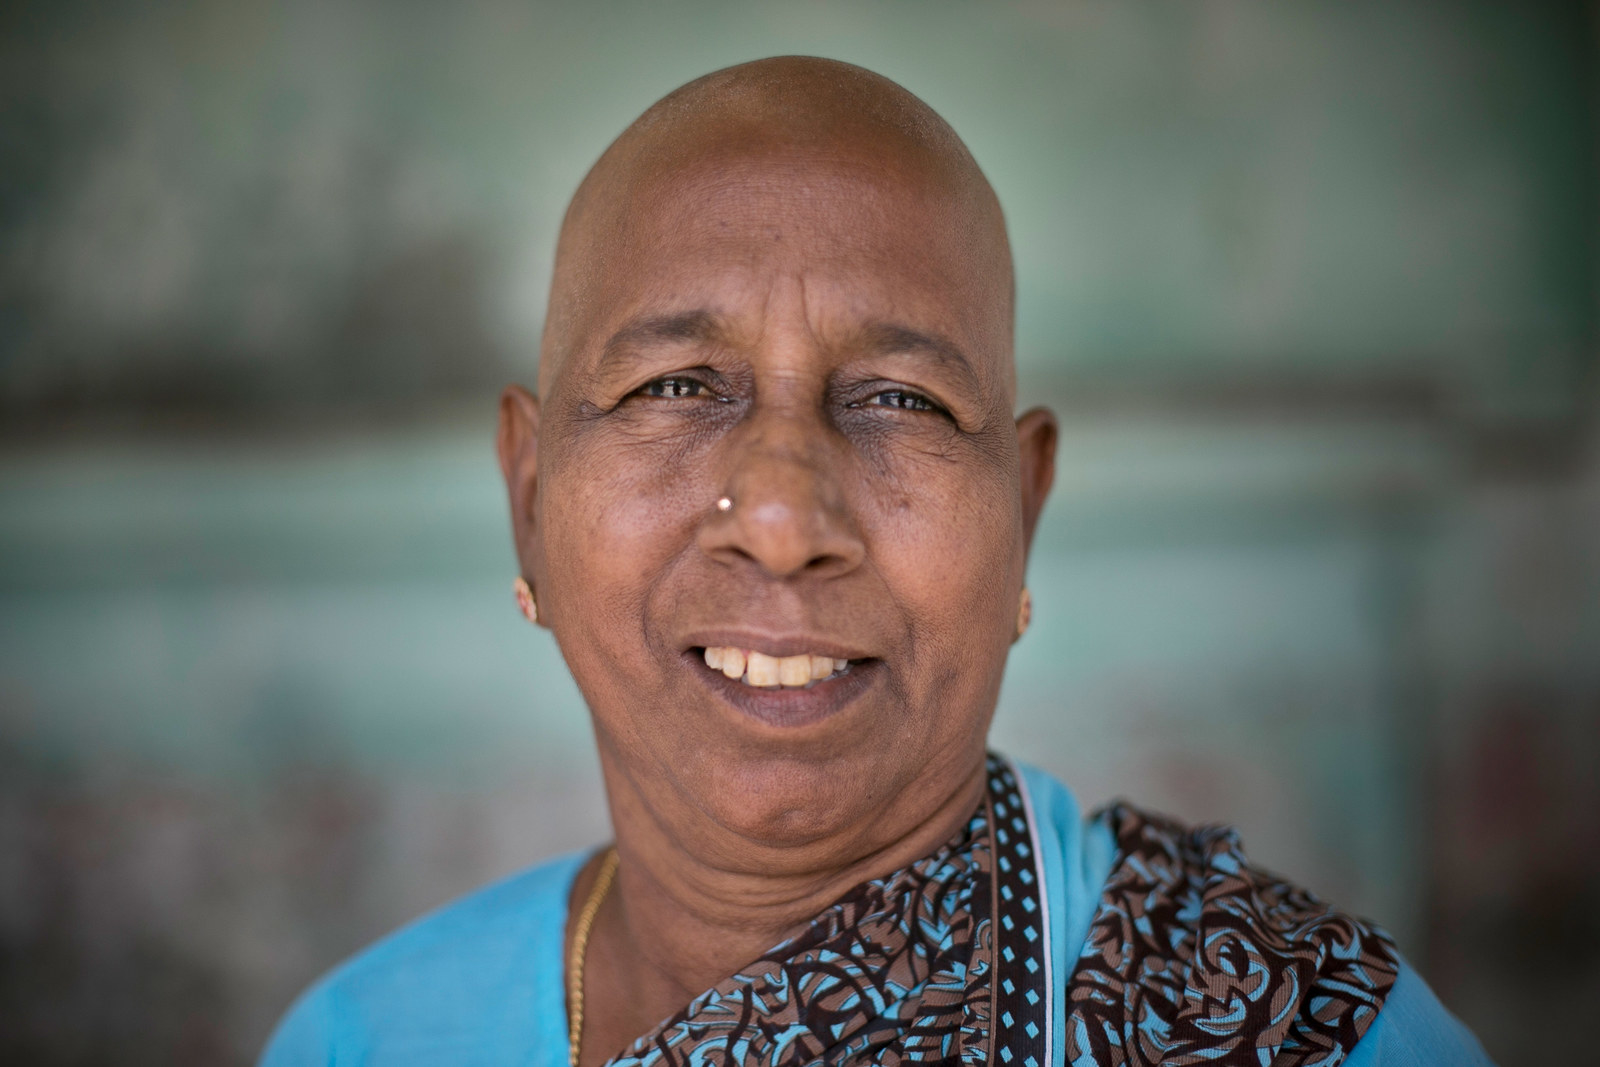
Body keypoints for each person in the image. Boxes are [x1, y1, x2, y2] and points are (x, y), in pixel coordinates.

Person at [259, 57, 1491, 1066]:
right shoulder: (361, 1040)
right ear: (530, 497)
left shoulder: (1298, 1032)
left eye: (898, 397)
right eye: (676, 384)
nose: (785, 519)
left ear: (1025, 505)